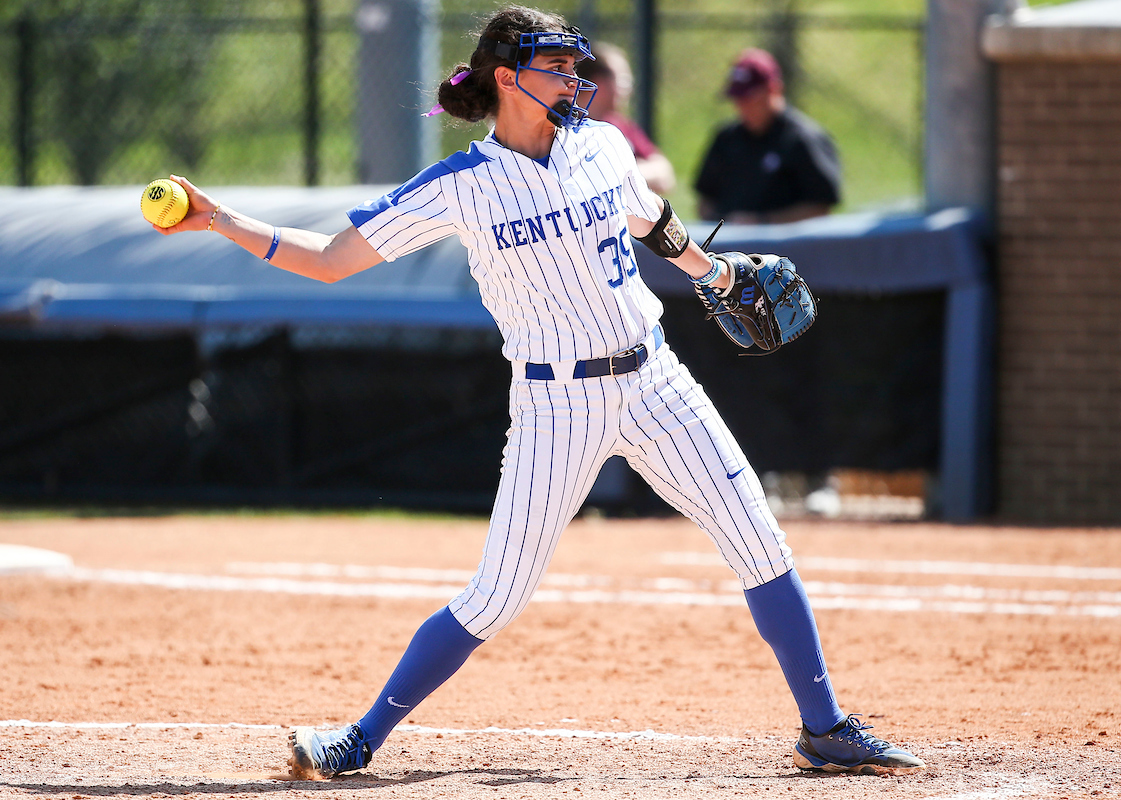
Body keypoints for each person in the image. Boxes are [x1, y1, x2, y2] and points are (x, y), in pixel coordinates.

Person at [151, 5, 923, 779]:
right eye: (554, 66)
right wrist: (219, 218)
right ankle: (358, 739)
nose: (572, 79)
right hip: (558, 406)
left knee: (759, 540)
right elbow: (328, 259)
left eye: (571, 65)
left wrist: (715, 273)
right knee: (496, 596)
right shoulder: (461, 185)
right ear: (506, 77)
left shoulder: (603, 145)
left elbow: (653, 221)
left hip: (656, 379)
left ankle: (825, 728)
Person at [695, 48, 840, 224]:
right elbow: (705, 199)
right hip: (728, 239)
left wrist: (761, 222)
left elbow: (820, 209)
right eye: (738, 100)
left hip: (786, 241)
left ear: (774, 89)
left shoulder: (803, 139)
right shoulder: (726, 138)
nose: (743, 107)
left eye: (750, 98)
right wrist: (720, 223)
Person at [574, 41, 676, 194]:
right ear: (597, 82)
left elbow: (664, 176)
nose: (629, 88)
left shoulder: (619, 124)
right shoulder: (566, 129)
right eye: (623, 80)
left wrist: (618, 173)